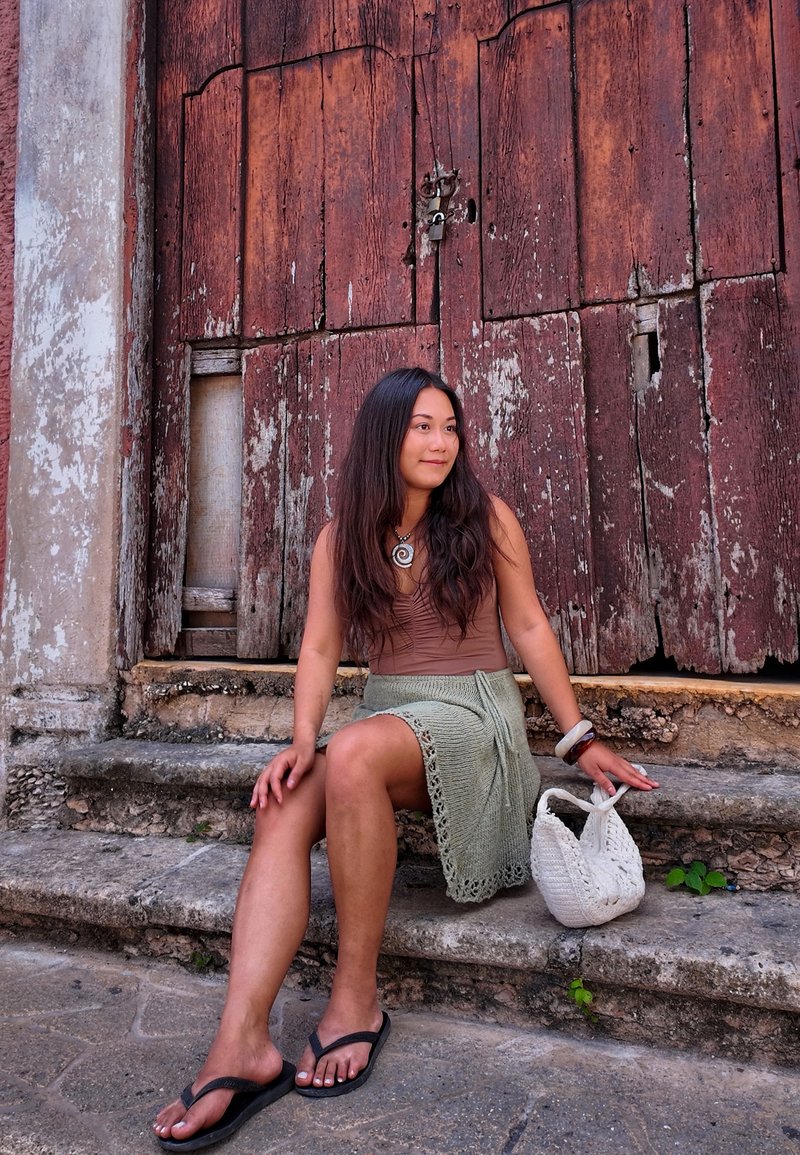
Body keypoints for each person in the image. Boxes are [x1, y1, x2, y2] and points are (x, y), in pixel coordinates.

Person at [153, 367, 658, 1150]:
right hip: (386, 718)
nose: (440, 441)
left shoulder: (486, 519)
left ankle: (356, 999)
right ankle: (241, 1042)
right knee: (290, 794)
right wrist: (298, 739)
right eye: (422, 425)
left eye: (450, 426)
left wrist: (579, 738)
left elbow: (528, 628)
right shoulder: (340, 537)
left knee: (351, 753)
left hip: (474, 717)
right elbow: (320, 644)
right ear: (385, 437)